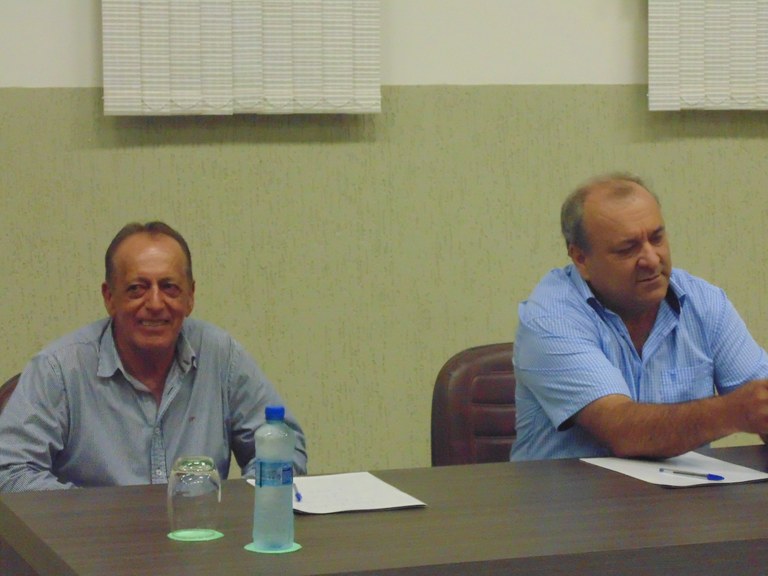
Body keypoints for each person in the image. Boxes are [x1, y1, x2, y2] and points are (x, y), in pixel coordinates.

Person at [0, 221, 307, 491]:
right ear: (109, 297)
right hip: (92, 537)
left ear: (190, 297)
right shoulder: (59, 369)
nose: (156, 304)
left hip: (200, 532)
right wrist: (96, 515)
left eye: (170, 287)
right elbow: (10, 472)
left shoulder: (221, 356)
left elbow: (286, 450)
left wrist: (232, 508)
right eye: (137, 288)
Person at [510, 173, 768, 461]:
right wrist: (733, 412)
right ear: (581, 259)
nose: (652, 259)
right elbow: (622, 431)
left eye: (657, 239)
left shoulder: (704, 303)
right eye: (627, 249)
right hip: (571, 491)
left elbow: (761, 402)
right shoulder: (550, 318)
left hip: (685, 490)